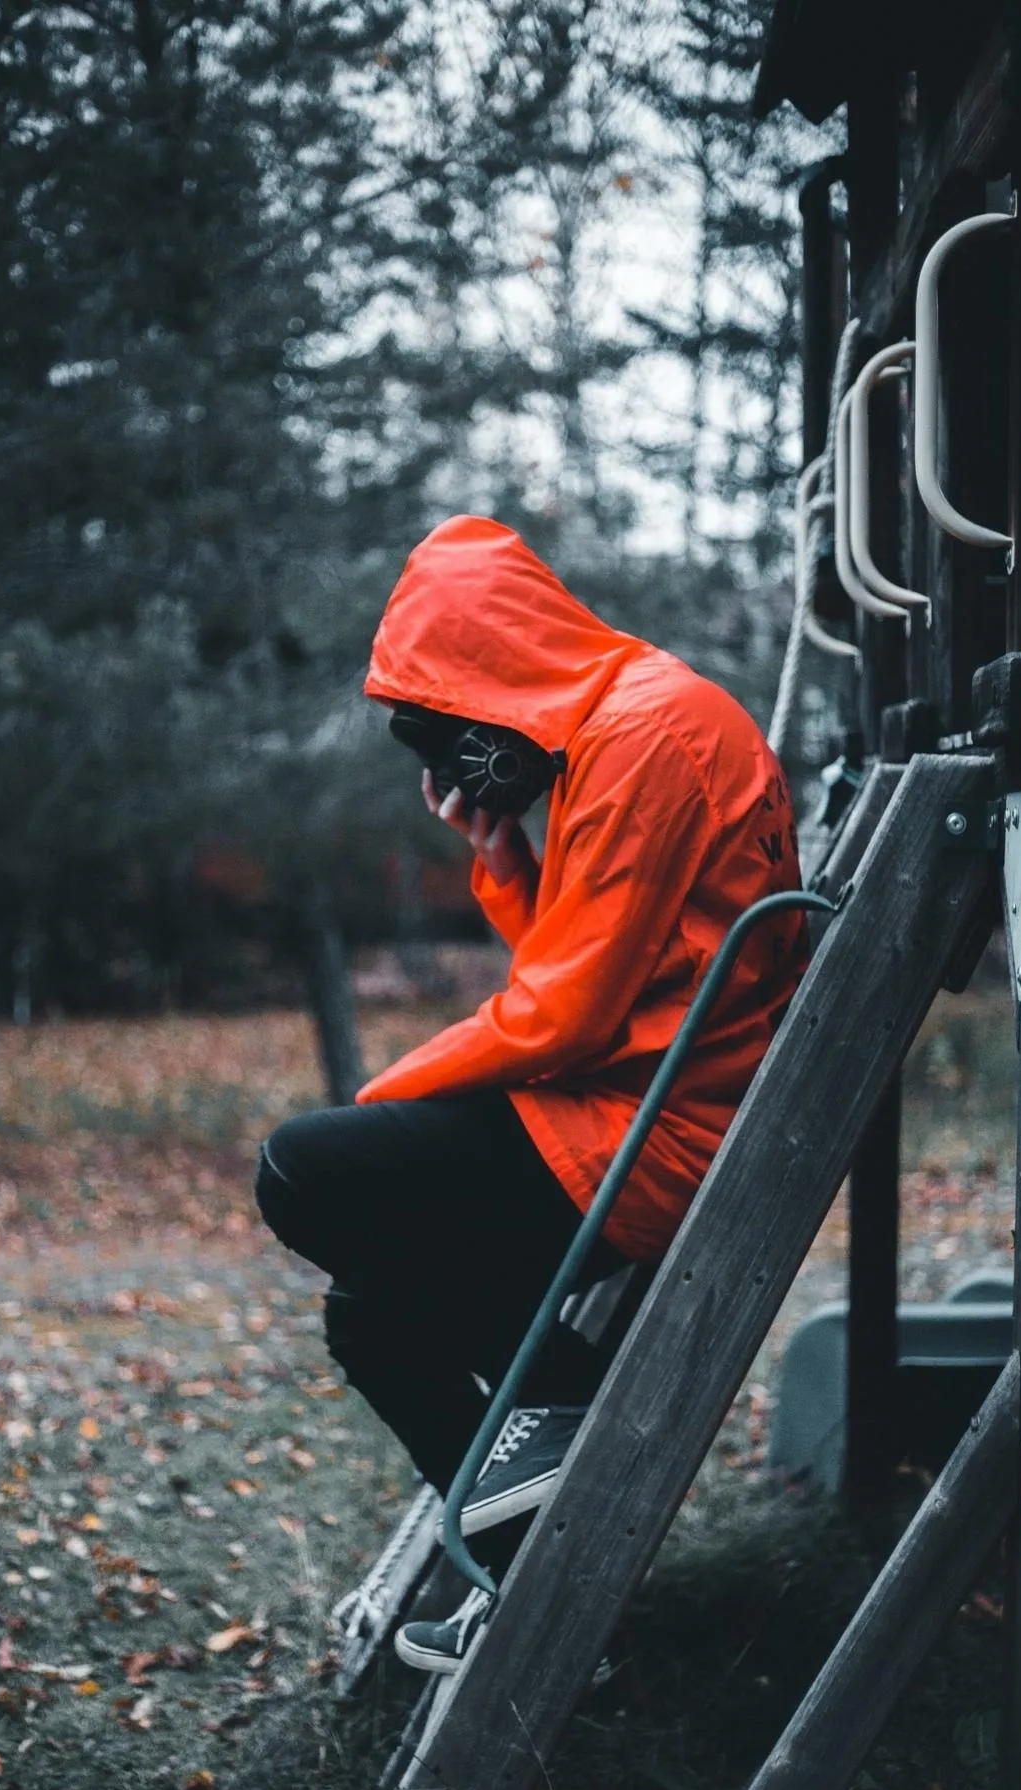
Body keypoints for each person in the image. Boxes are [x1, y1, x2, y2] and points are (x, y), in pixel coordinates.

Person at [255, 514, 807, 1673]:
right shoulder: (630, 721)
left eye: (446, 729)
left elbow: (565, 1015)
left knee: (306, 1168)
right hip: (628, 1108)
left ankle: (565, 1408)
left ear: (490, 677)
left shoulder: (647, 735)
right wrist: (504, 855)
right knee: (370, 1313)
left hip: (651, 1136)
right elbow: (580, 971)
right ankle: (534, 1587)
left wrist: (381, 1099)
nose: (448, 757)